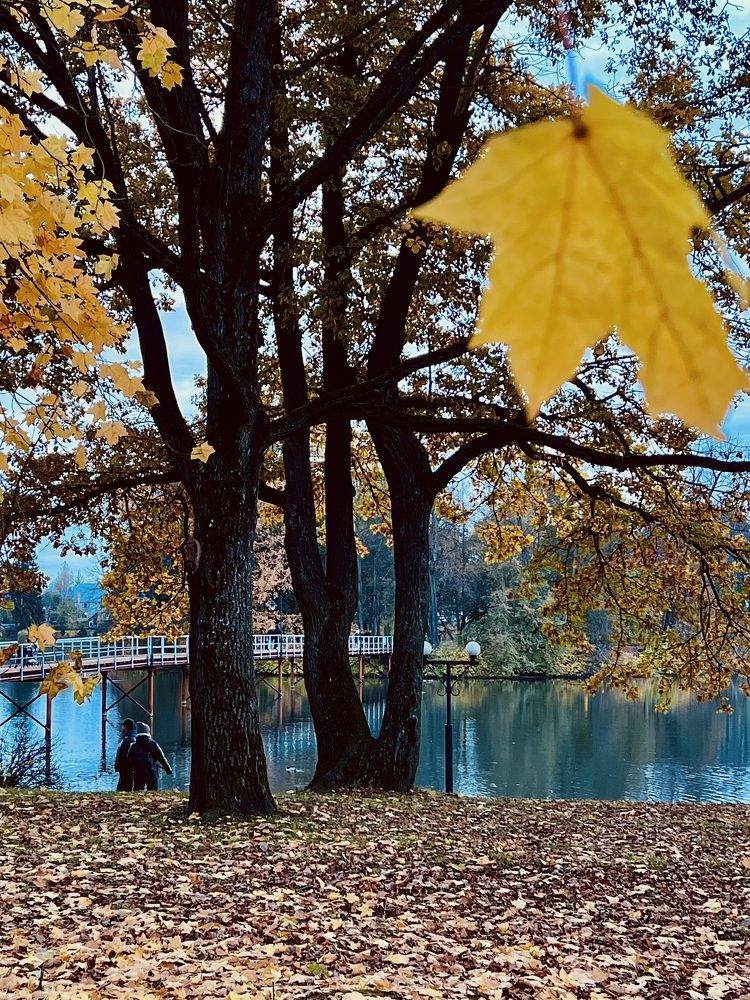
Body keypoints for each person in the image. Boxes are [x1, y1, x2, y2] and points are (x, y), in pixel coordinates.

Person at [128, 721, 173, 791]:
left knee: (138, 790)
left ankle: (138, 801)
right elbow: (162, 758)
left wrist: (129, 772)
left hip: (138, 773)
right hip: (152, 772)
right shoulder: (153, 744)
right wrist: (168, 770)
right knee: (153, 791)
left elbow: (129, 760)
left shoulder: (134, 746)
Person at [113, 718, 137, 791]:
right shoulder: (129, 738)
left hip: (126, 769)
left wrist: (121, 765)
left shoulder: (129, 739)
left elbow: (126, 755)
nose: (121, 727)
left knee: (125, 787)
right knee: (122, 787)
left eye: (123, 726)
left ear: (126, 727)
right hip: (125, 769)